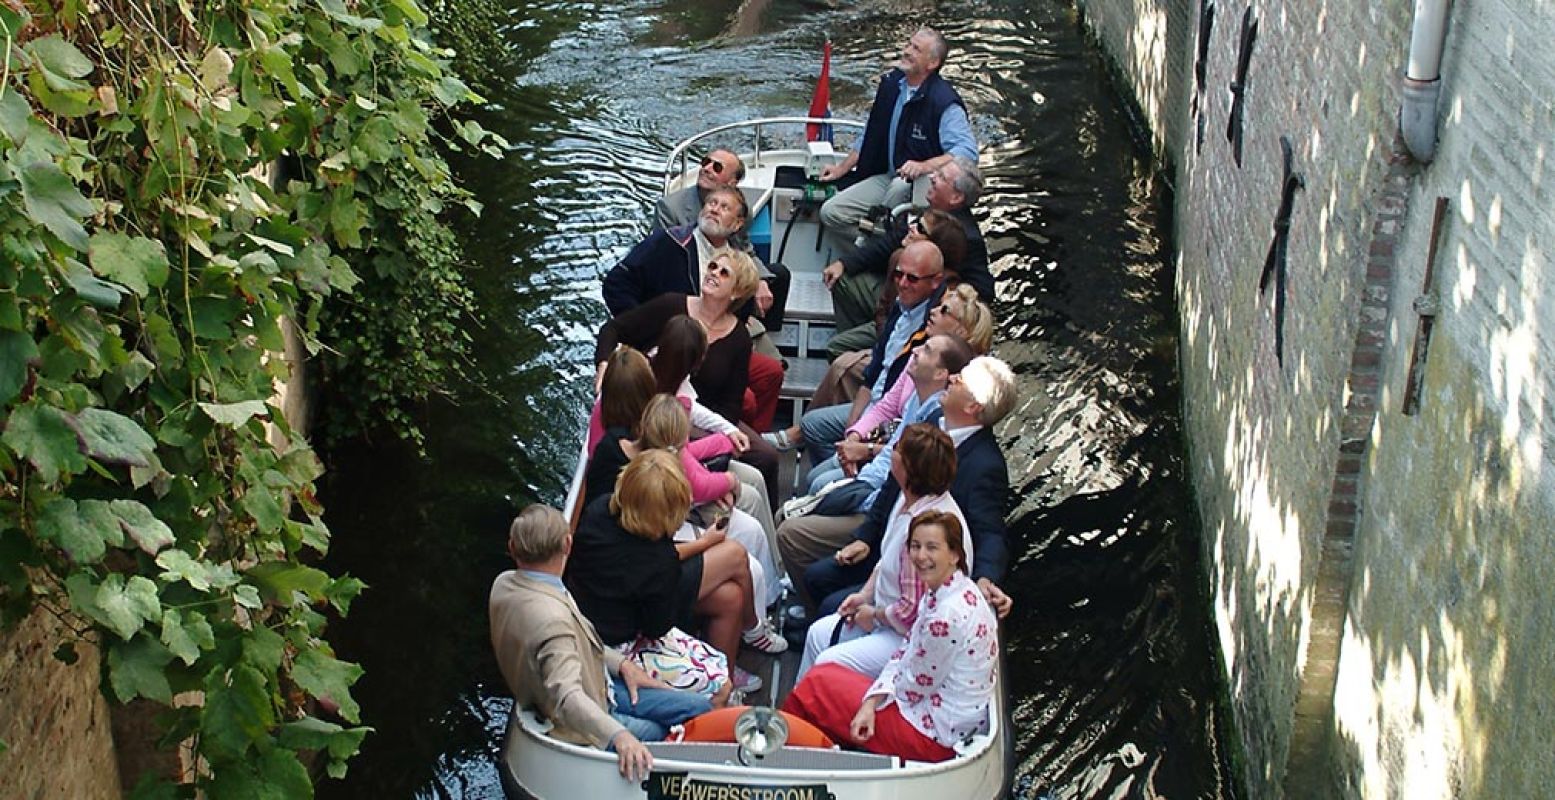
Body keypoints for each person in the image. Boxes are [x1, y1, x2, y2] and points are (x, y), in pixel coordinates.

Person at [783, 355, 1019, 620]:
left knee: (832, 605)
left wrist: (985, 578)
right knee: (818, 578)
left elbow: (990, 531)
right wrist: (865, 537)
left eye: (960, 380)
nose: (952, 378)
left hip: (916, 569)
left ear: (974, 405)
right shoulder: (934, 417)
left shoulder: (985, 465)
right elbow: (892, 486)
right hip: (888, 544)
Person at [489, 505, 712, 782]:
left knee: (697, 708)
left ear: (512, 547)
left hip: (601, 683)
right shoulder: (552, 618)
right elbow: (567, 695)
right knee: (662, 730)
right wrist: (619, 736)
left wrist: (623, 665)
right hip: (586, 716)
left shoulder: (504, 584)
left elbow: (577, 641)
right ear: (567, 544)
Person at [785, 511, 997, 764]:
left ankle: (784, 758)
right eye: (915, 547)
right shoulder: (957, 590)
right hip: (947, 715)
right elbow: (908, 648)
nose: (920, 556)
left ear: (954, 554)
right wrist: (875, 696)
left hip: (933, 734)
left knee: (814, 687)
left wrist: (870, 704)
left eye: (932, 548)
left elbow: (913, 686)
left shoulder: (945, 618)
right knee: (824, 674)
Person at [567, 450, 768, 696]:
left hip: (597, 612)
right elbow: (657, 628)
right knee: (733, 564)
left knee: (730, 598)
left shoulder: (601, 510)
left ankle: (731, 666)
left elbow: (636, 560)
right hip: (618, 642)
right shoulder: (657, 562)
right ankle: (723, 684)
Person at [794, 424, 970, 680]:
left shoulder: (925, 532)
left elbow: (912, 612)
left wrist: (873, 614)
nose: (892, 451)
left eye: (897, 449)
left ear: (908, 468)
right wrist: (864, 595)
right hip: (885, 612)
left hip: (909, 637)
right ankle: (800, 710)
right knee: (818, 634)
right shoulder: (906, 499)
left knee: (828, 660)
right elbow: (886, 560)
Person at [817, 28, 977, 255]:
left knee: (898, 187)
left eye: (916, 49)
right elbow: (871, 133)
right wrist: (841, 169)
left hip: (918, 187)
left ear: (932, 63)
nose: (906, 51)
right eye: (909, 45)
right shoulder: (892, 85)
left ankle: (881, 254)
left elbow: (967, 153)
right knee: (831, 213)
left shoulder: (944, 102)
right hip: (887, 175)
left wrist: (923, 167)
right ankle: (875, 256)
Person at [796, 241, 947, 479]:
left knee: (817, 480)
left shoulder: (931, 336)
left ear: (935, 281)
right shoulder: (902, 306)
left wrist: (863, 448)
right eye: (898, 274)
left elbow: (901, 425)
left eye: (912, 279)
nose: (902, 283)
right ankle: (839, 477)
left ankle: (838, 485)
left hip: (890, 436)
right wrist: (855, 426)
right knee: (813, 425)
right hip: (877, 408)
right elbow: (878, 369)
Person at [823, 157, 991, 356]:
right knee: (843, 280)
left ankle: (865, 352)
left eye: (941, 177)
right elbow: (889, 243)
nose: (932, 178)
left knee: (837, 348)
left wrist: (946, 301)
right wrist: (845, 263)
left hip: (919, 317)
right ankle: (867, 341)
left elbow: (983, 290)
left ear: (956, 197)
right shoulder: (931, 215)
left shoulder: (967, 239)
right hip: (899, 303)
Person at [653, 148, 790, 329]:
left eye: (717, 167)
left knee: (779, 275)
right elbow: (665, 262)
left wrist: (759, 280)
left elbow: (744, 249)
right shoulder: (670, 208)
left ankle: (761, 333)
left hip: (727, 269)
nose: (706, 168)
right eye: (705, 162)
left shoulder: (740, 210)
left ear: (733, 182)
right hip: (690, 278)